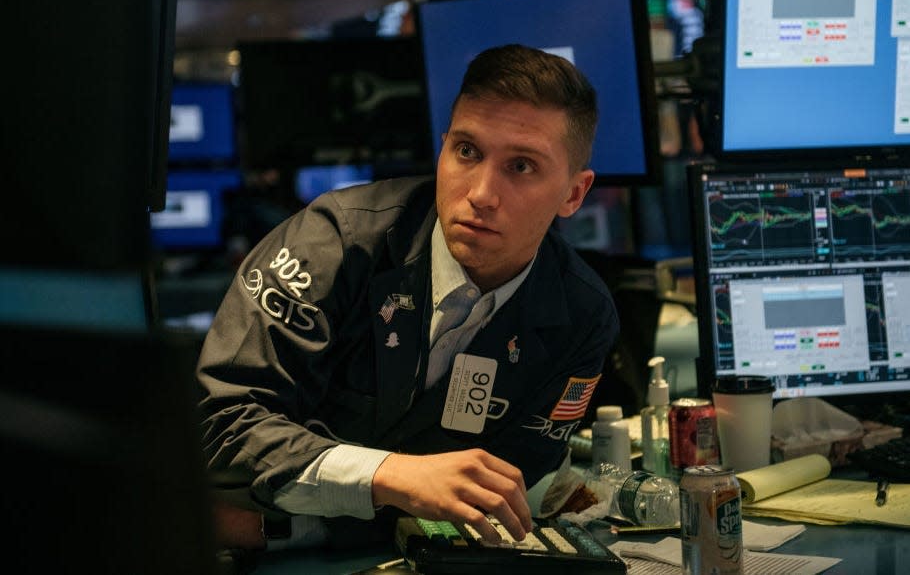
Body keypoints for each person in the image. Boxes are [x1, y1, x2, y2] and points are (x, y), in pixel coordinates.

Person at [196, 44, 620, 553]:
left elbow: (500, 495)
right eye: (467, 151)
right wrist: (392, 476)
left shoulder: (582, 315)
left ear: (574, 194)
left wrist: (286, 524)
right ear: (443, 149)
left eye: (522, 166)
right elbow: (222, 430)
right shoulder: (333, 244)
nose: (482, 192)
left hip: (334, 548)